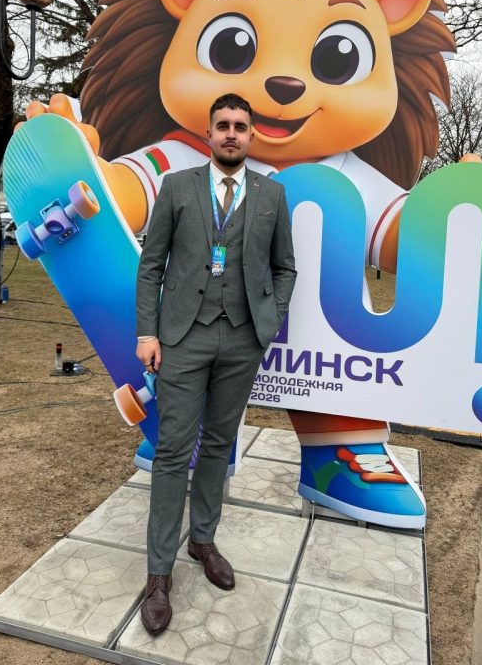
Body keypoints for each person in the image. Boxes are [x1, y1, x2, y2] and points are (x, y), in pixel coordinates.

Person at [134, 93, 297, 634]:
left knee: (219, 444)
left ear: (252, 136)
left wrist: (268, 320)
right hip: (182, 337)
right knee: (172, 450)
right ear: (209, 134)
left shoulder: (272, 194)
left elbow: (285, 267)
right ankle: (158, 574)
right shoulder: (177, 187)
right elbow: (151, 264)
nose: (231, 133)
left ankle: (202, 540)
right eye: (223, 125)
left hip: (243, 340)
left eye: (240, 126)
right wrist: (147, 332)